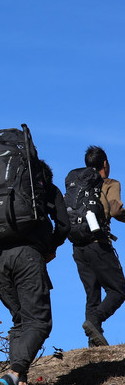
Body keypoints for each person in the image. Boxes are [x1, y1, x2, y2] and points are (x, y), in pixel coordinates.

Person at [0, 158, 70, 385]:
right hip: (28, 256)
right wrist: (50, 246)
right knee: (39, 322)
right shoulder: (43, 187)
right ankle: (13, 374)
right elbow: (64, 224)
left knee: (21, 321)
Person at [73, 146, 125, 347]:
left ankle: (94, 343)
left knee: (92, 292)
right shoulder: (110, 183)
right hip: (98, 243)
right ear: (105, 164)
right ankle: (95, 321)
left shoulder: (79, 185)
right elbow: (114, 210)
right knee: (119, 290)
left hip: (78, 246)